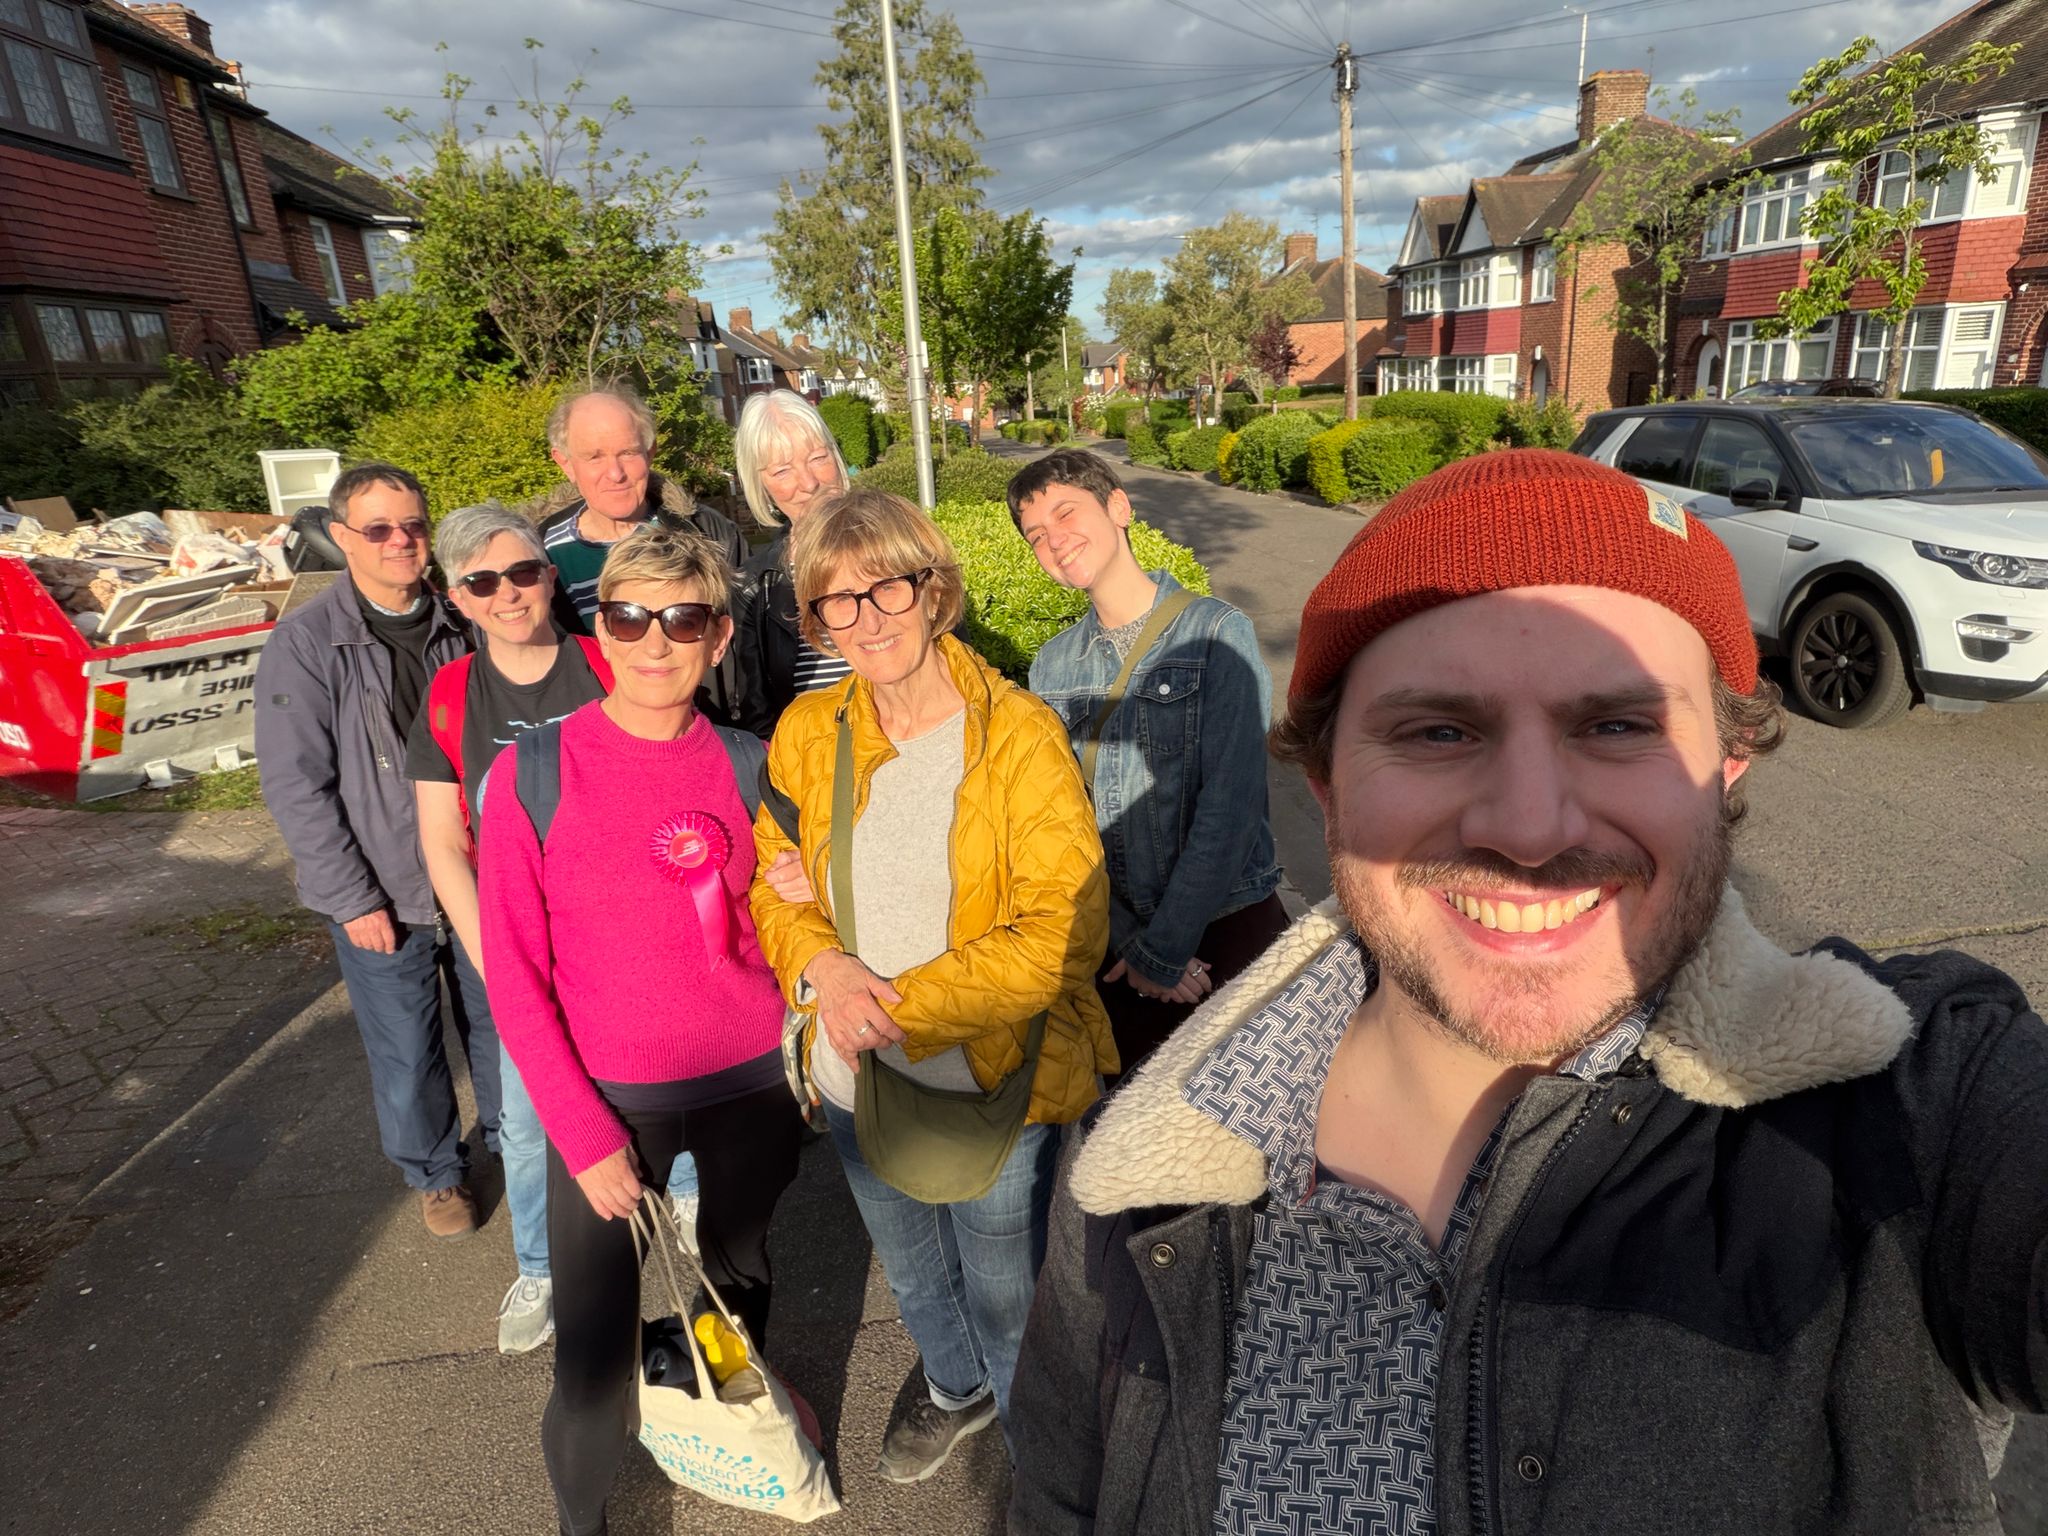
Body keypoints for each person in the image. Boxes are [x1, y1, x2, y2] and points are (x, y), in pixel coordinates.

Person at [1009, 449, 2048, 1535]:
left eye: (1615, 725)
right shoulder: (1138, 1167)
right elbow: (1061, 1492)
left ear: (1725, 763)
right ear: (1324, 783)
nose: (1527, 827)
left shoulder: (1911, 1098)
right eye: (1437, 731)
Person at [750, 487, 1116, 1484]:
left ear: (934, 590)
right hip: (850, 1075)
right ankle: (955, 1387)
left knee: (1005, 1288)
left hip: (988, 1076)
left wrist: (893, 1008)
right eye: (837, 601)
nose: (866, 620)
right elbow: (770, 872)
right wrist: (821, 967)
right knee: (910, 1266)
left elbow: (1060, 936)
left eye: (887, 590)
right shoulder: (804, 731)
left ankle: (1035, 1459)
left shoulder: (1019, 738)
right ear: (813, 617)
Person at [478, 524, 802, 1536]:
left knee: (736, 1286)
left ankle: (725, 1438)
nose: (653, 642)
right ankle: (585, 1521)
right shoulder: (531, 774)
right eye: (628, 616)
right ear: (599, 630)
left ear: (717, 639)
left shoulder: (754, 765)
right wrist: (580, 1137)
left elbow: (797, 930)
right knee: (588, 1354)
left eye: (682, 619)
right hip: (611, 1107)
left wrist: (804, 889)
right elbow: (517, 983)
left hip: (750, 1089)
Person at [254, 462, 495, 1239]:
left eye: (414, 526)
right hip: (382, 886)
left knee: (498, 1023)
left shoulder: (465, 621)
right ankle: (435, 1175)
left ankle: (509, 1143)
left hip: (474, 873)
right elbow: (296, 785)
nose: (402, 542)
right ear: (341, 537)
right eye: (380, 529)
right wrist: (350, 896)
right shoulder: (307, 643)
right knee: (406, 1047)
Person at [407, 501, 613, 1353]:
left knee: (650, 1089)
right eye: (481, 581)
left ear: (549, 572)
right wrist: (495, 960)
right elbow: (441, 841)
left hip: (615, 930)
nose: (508, 593)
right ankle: (540, 1266)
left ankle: (674, 1225)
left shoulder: (607, 665)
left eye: (524, 571)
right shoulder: (452, 694)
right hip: (513, 942)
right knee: (527, 1123)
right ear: (457, 597)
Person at [1010, 448, 1287, 1073]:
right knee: (1135, 1156)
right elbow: (1058, 825)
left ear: (1119, 507)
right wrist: (1132, 942)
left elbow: (1233, 804)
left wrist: (1164, 950)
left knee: (1253, 1142)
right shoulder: (1050, 667)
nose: (1055, 541)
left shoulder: (1216, 632)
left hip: (1225, 930)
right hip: (1119, 946)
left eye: (1066, 513)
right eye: (1036, 535)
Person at [538, 386, 747, 723]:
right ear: (565, 463)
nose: (615, 473)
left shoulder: (711, 537)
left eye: (628, 452)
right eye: (594, 456)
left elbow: (747, 655)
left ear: (651, 452)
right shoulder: (534, 560)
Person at [729, 390, 852, 738]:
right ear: (762, 486)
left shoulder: (897, 544)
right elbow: (757, 712)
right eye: (782, 470)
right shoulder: (755, 585)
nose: (809, 483)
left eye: (817, 457)